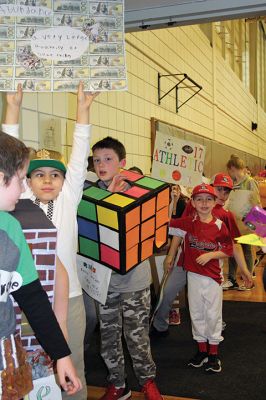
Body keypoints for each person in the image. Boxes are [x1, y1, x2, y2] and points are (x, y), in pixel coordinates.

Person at [3, 82, 98, 400]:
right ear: (25, 181)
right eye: (38, 174)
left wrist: (83, 111)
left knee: (72, 363)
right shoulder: (21, 200)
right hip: (24, 298)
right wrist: (13, 108)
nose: (47, 179)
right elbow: (8, 161)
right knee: (28, 369)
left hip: (69, 298)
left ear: (64, 181)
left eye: (55, 175)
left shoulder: (70, 197)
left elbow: (79, 154)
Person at [0, 131, 81, 399]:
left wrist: (61, 355)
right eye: (21, 180)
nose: (24, 188)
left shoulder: (11, 228)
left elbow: (33, 297)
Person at [91, 136, 163, 400]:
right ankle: (118, 384)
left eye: (108, 159)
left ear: (122, 163)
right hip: (104, 283)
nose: (101, 164)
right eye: (97, 159)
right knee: (109, 337)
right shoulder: (89, 194)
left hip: (135, 281)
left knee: (137, 336)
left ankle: (147, 381)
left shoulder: (138, 193)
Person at [164, 183, 233, 373]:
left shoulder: (219, 225)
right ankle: (202, 351)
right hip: (193, 276)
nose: (204, 203)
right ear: (192, 202)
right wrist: (173, 200)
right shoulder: (188, 223)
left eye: (208, 199)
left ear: (214, 202)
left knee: (213, 315)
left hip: (212, 279)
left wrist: (211, 255)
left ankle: (214, 354)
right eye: (199, 199)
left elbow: (228, 249)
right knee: (196, 314)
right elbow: (166, 221)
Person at [225, 154, 261, 289]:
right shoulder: (233, 183)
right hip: (234, 220)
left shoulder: (250, 182)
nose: (229, 173)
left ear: (232, 168)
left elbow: (256, 203)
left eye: (229, 170)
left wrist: (255, 223)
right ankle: (231, 279)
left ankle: (248, 281)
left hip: (247, 220)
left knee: (246, 249)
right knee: (233, 248)